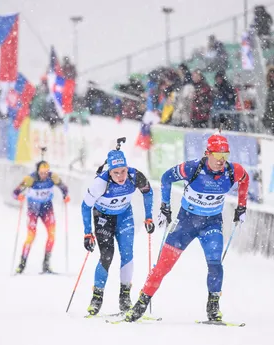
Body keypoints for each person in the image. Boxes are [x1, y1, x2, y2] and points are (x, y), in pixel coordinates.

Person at [125, 134, 249, 322]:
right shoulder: (192, 168)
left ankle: (213, 308)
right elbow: (166, 178)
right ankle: (140, 305)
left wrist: (242, 206)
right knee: (163, 266)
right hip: (186, 224)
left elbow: (245, 179)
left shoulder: (232, 171)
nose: (221, 161)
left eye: (226, 155)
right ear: (208, 153)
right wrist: (165, 207)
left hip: (212, 224)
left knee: (215, 264)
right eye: (217, 155)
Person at [81, 149, 154, 316]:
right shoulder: (100, 183)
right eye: (116, 173)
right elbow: (86, 206)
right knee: (106, 255)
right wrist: (87, 233)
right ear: (109, 171)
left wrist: (148, 217)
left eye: (123, 171)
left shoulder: (135, 176)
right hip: (103, 218)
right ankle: (97, 298)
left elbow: (148, 192)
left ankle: (125, 297)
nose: (120, 176)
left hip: (124, 216)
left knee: (127, 254)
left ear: (127, 168)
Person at [13, 161, 70, 274]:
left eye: (46, 172)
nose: (44, 175)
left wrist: (65, 196)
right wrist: (19, 196)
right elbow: (15, 192)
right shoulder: (30, 179)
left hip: (47, 209)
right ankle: (22, 264)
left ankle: (46, 265)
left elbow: (64, 188)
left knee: (52, 235)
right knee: (31, 236)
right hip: (33, 210)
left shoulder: (53, 177)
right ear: (37, 171)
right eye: (42, 172)